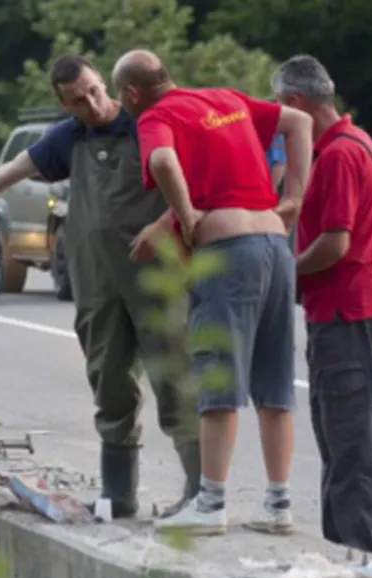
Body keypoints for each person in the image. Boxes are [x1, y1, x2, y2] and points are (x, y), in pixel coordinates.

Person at [0, 55, 200, 520]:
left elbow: (191, 185)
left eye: (94, 91)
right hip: (97, 284)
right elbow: (18, 167)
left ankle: (200, 494)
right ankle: (119, 496)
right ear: (64, 103)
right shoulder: (69, 138)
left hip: (157, 280)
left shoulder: (146, 123)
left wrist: (165, 223)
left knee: (175, 383)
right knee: (109, 385)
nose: (92, 104)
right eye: (78, 100)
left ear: (104, 84)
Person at [113, 49, 313, 536]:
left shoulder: (157, 115)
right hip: (274, 247)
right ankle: (278, 503)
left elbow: (162, 160)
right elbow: (300, 122)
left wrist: (185, 214)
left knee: (218, 378)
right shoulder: (223, 98)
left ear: (131, 93)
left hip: (230, 253)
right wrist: (294, 199)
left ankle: (212, 503)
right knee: (274, 382)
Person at [273, 55, 372, 552]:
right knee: (345, 444)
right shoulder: (356, 143)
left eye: (280, 108)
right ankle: (348, 555)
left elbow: (336, 243)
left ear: (296, 103)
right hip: (348, 311)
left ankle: (357, 566)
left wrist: (283, 274)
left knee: (348, 447)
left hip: (343, 315)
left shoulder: (337, 156)